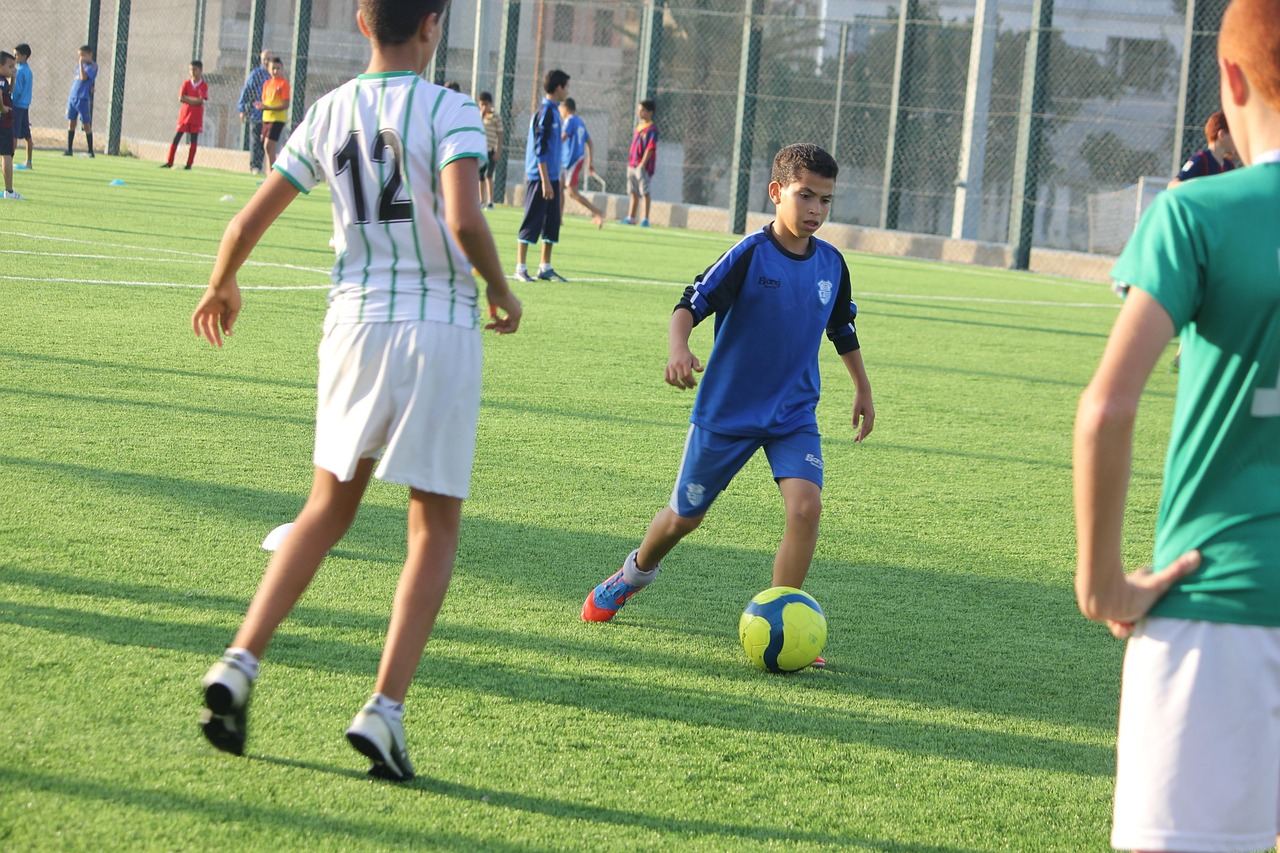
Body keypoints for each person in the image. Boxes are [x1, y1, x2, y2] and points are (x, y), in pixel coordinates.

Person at [192, 0, 522, 782]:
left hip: (353, 324)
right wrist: (502, 289)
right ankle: (384, 708)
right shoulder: (449, 110)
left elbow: (246, 220)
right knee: (432, 524)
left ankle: (240, 660)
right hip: (437, 325)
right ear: (435, 25)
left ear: (360, 21)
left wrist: (222, 282)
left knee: (325, 508)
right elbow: (464, 216)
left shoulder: (327, 110)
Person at [1072, 1, 1280, 850]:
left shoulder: (1198, 214)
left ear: (1230, 79)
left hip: (1218, 605)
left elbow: (1108, 407)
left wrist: (1104, 584)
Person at [581, 143, 875, 648]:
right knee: (683, 519)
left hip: (793, 415)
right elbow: (689, 303)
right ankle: (633, 573)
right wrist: (679, 347)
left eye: (826, 201)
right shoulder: (749, 255)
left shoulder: (832, 264)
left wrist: (862, 389)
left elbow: (841, 329)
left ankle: (783, 625)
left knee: (806, 508)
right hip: (726, 413)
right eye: (806, 196)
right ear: (777, 192)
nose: (816, 211)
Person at [514, 68, 569, 283]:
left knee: (551, 222)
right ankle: (520, 267)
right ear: (558, 87)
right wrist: (545, 179)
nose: (567, 92)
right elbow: (540, 148)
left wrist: (556, 177)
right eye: (566, 87)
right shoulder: (545, 112)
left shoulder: (555, 111)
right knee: (532, 218)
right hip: (540, 178)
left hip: (552, 177)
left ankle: (545, 266)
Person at [559, 98, 603, 228]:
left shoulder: (569, 121)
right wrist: (590, 161)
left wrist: (550, 147)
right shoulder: (580, 122)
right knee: (559, 187)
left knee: (572, 193)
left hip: (571, 161)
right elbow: (589, 142)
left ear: (566, 108)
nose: (560, 111)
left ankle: (598, 212)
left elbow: (563, 137)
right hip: (575, 160)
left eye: (561, 108)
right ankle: (558, 218)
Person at [1168, 109, 1237, 187]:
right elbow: (1172, 185)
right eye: (1234, 134)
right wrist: (1198, 186)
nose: (1236, 139)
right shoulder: (1201, 159)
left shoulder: (1229, 166)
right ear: (1222, 134)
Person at [162, 60, 208, 170]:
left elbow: (200, 101)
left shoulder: (203, 85)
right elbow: (181, 98)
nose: (192, 72)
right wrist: (193, 100)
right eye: (191, 70)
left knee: (193, 140)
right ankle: (169, 162)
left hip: (196, 116)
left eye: (195, 70)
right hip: (184, 115)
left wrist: (188, 99)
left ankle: (189, 164)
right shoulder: (186, 83)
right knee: (176, 138)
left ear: (200, 71)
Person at [623, 99, 657, 227]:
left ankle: (645, 219)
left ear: (649, 112)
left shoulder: (651, 129)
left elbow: (650, 147)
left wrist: (643, 163)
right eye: (639, 110)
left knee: (644, 191)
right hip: (632, 163)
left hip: (642, 166)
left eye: (642, 110)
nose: (639, 112)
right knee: (633, 191)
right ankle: (631, 217)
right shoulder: (639, 127)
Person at [238, 49, 272, 175]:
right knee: (255, 140)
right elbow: (246, 91)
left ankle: (262, 165)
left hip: (270, 115)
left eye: (269, 59)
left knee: (266, 141)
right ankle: (255, 166)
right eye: (265, 59)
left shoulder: (274, 76)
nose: (267, 61)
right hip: (257, 113)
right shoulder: (256, 74)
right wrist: (242, 109)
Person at [257, 58, 290, 171]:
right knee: (267, 147)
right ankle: (269, 173)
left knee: (269, 145)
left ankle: (272, 174)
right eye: (273, 68)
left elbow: (285, 105)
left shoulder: (283, 84)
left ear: (282, 69)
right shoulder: (267, 84)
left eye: (278, 68)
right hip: (266, 118)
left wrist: (268, 107)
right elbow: (266, 101)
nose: (275, 71)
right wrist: (261, 106)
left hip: (277, 119)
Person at [65, 45, 96, 158]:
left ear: (89, 55)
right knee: (71, 122)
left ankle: (90, 150)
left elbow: (84, 78)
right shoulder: (79, 66)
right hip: (73, 97)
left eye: (83, 55)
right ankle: (69, 149)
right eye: (80, 55)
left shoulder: (92, 66)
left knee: (86, 124)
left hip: (82, 99)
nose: (81, 58)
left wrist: (81, 63)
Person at [0, 51, 20, 200]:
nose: (13, 69)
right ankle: (9, 191)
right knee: (7, 155)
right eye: (10, 66)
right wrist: (3, 108)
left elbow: (9, 92)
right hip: (3, 123)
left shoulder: (5, 81)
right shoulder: (1, 81)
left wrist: (13, 78)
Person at [478, 91, 502, 209]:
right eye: (482, 104)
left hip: (490, 149)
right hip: (480, 150)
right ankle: (481, 200)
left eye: (486, 104)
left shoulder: (495, 117)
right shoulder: (478, 116)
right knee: (480, 176)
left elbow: (500, 134)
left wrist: (498, 150)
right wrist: (481, 116)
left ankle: (490, 201)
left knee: (489, 175)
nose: (484, 107)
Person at [12, 44, 32, 171]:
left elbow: (17, 90)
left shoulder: (19, 71)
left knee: (13, 134)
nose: (14, 57)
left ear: (24, 56)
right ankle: (29, 162)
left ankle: (9, 160)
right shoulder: (28, 70)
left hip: (17, 105)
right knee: (27, 136)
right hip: (25, 106)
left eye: (16, 55)